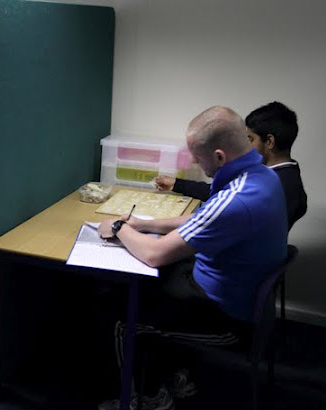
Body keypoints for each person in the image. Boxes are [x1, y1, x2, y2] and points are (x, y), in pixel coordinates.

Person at [98, 106, 288, 410]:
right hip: (233, 292)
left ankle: (149, 398)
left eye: (197, 159)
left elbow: (154, 254)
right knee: (151, 288)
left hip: (229, 320)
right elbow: (204, 218)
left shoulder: (236, 199)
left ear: (219, 157)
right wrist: (144, 224)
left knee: (124, 319)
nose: (195, 164)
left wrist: (119, 228)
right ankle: (173, 376)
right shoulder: (263, 177)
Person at [154, 101, 307, 231]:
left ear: (269, 142)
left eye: (250, 139)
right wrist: (177, 184)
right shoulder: (278, 175)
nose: (246, 145)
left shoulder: (277, 184)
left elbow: (229, 204)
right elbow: (224, 193)